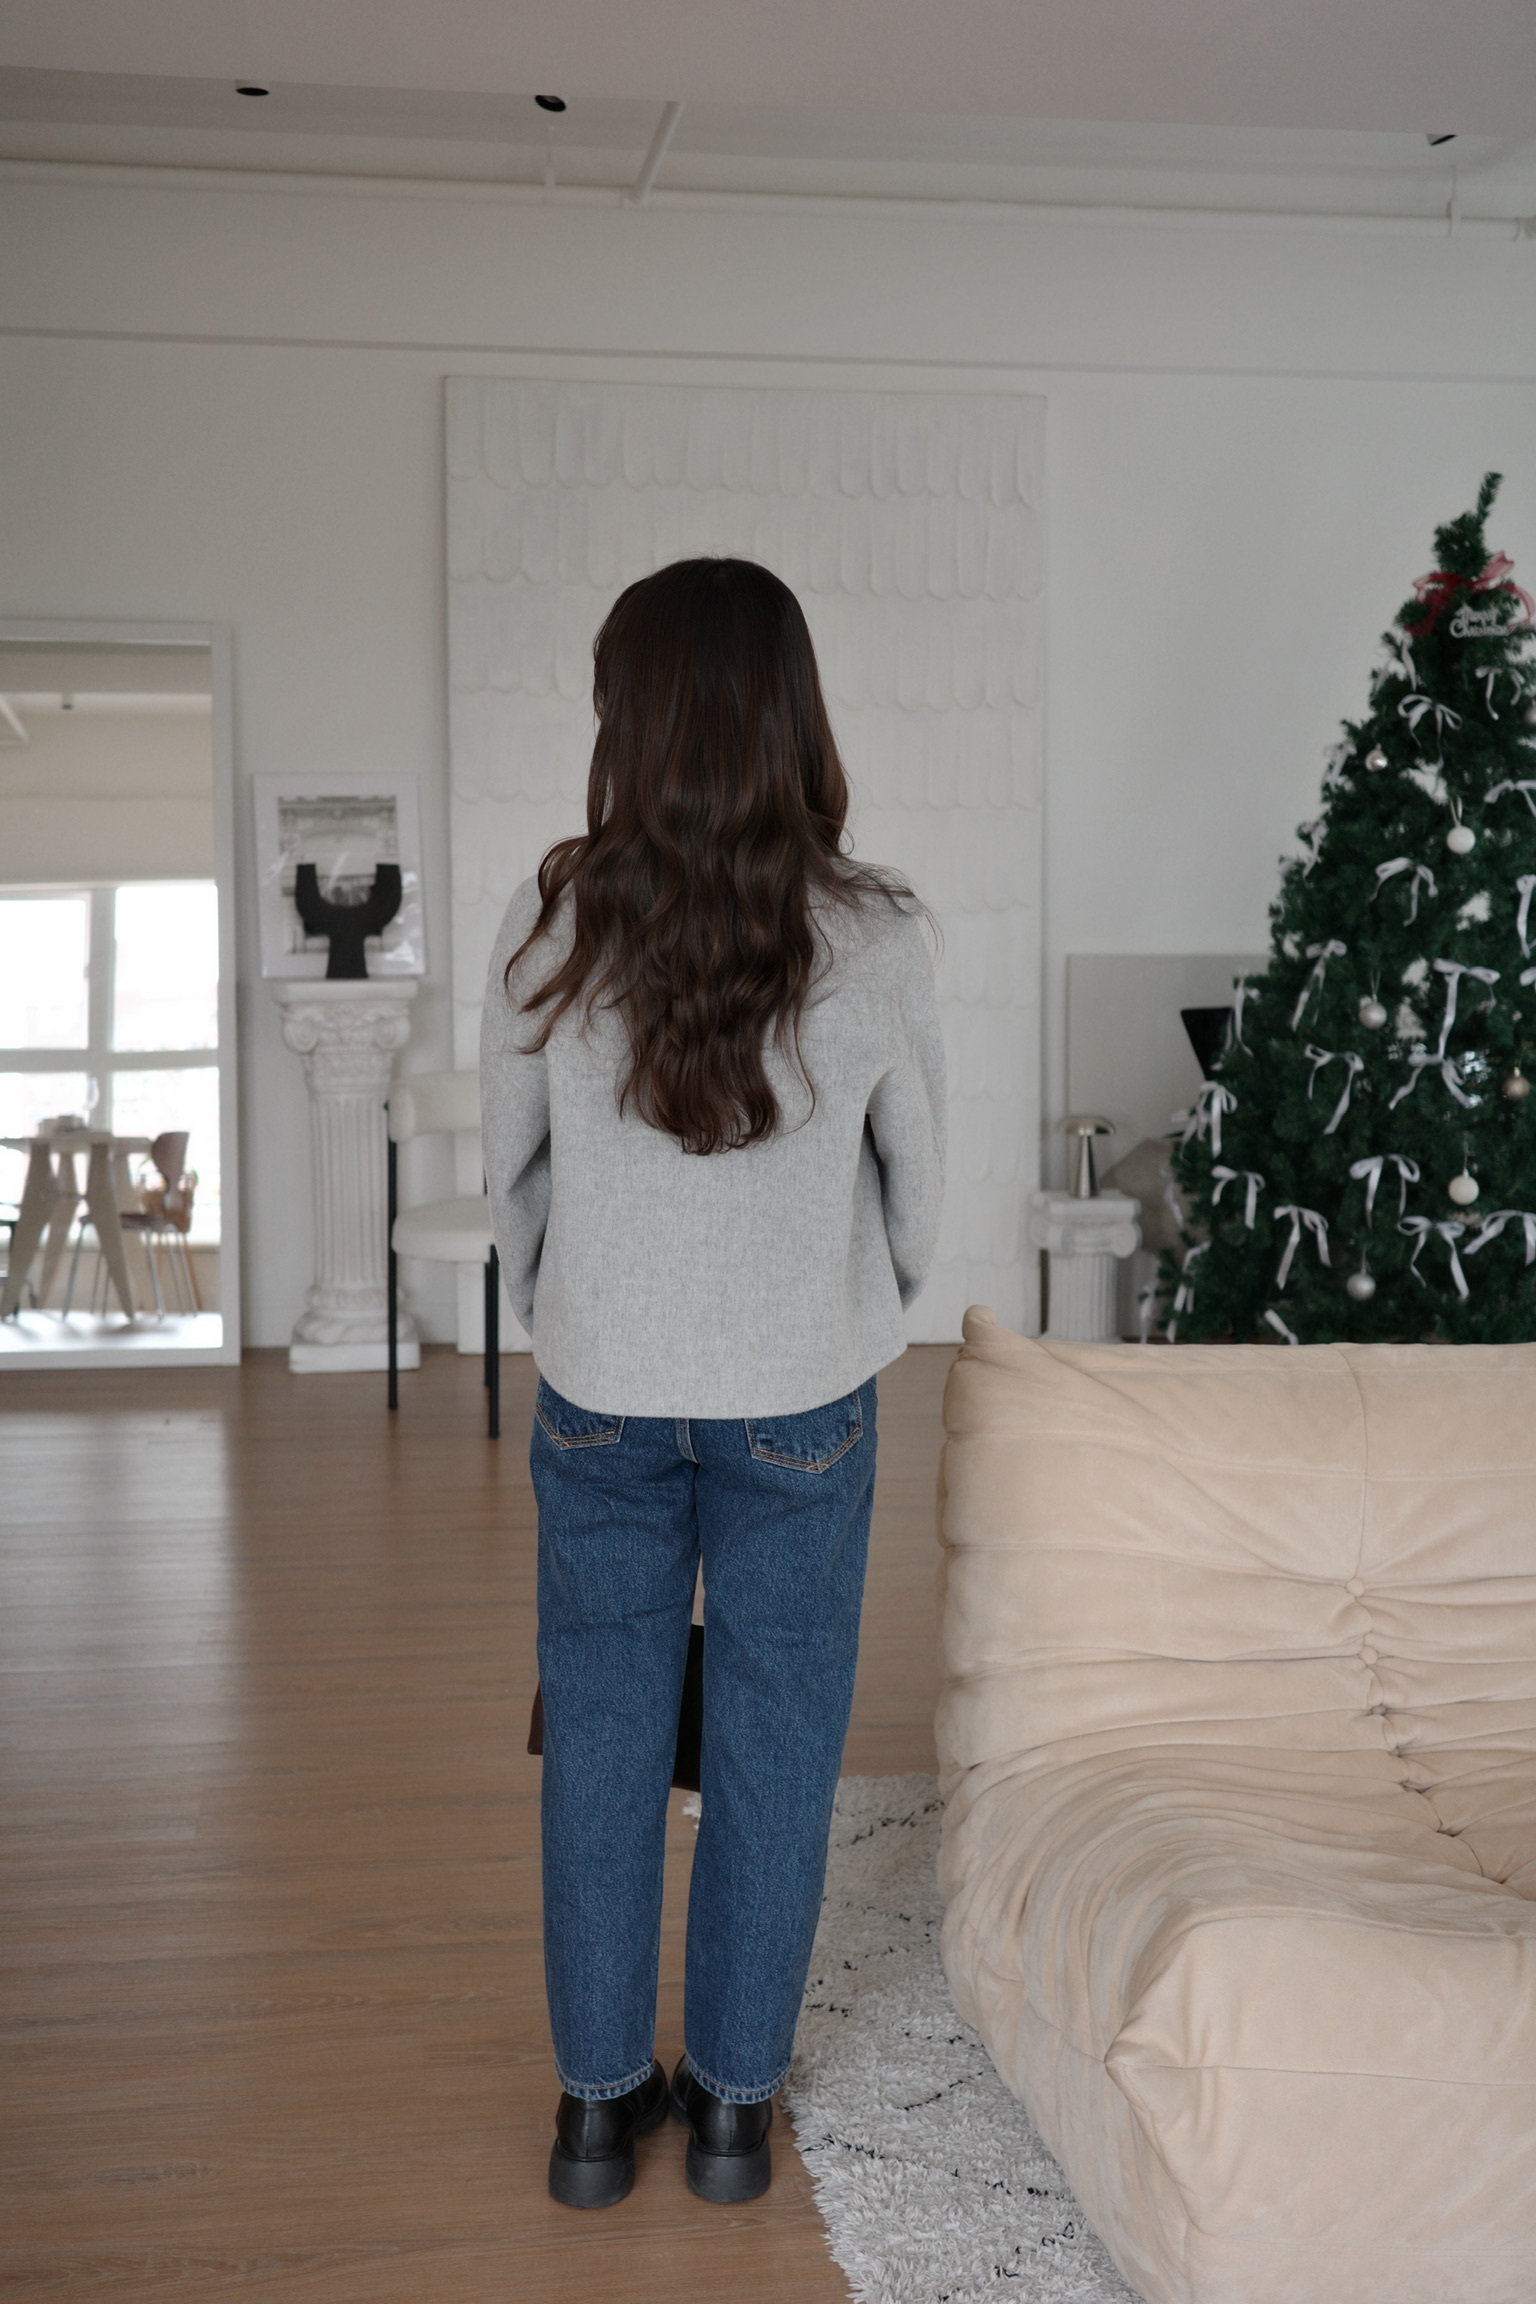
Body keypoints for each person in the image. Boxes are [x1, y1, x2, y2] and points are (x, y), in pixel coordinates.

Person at [480, 556, 945, 2212]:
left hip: (603, 1390)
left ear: (634, 718)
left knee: (603, 1734)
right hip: (802, 1398)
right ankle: (736, 2116)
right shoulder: (876, 930)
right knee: (777, 1739)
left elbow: (511, 1179)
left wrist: (577, 1314)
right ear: (788, 714)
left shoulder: (554, 919)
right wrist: (850, 1311)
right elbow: (918, 1191)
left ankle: (596, 2114)